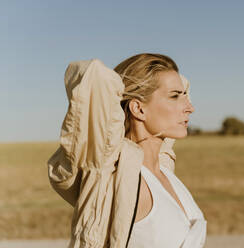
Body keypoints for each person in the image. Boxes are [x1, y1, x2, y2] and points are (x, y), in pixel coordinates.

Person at [47, 53, 207, 248]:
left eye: (184, 96)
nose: (190, 107)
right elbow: (95, 78)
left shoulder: (164, 170)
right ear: (138, 109)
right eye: (174, 96)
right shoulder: (117, 181)